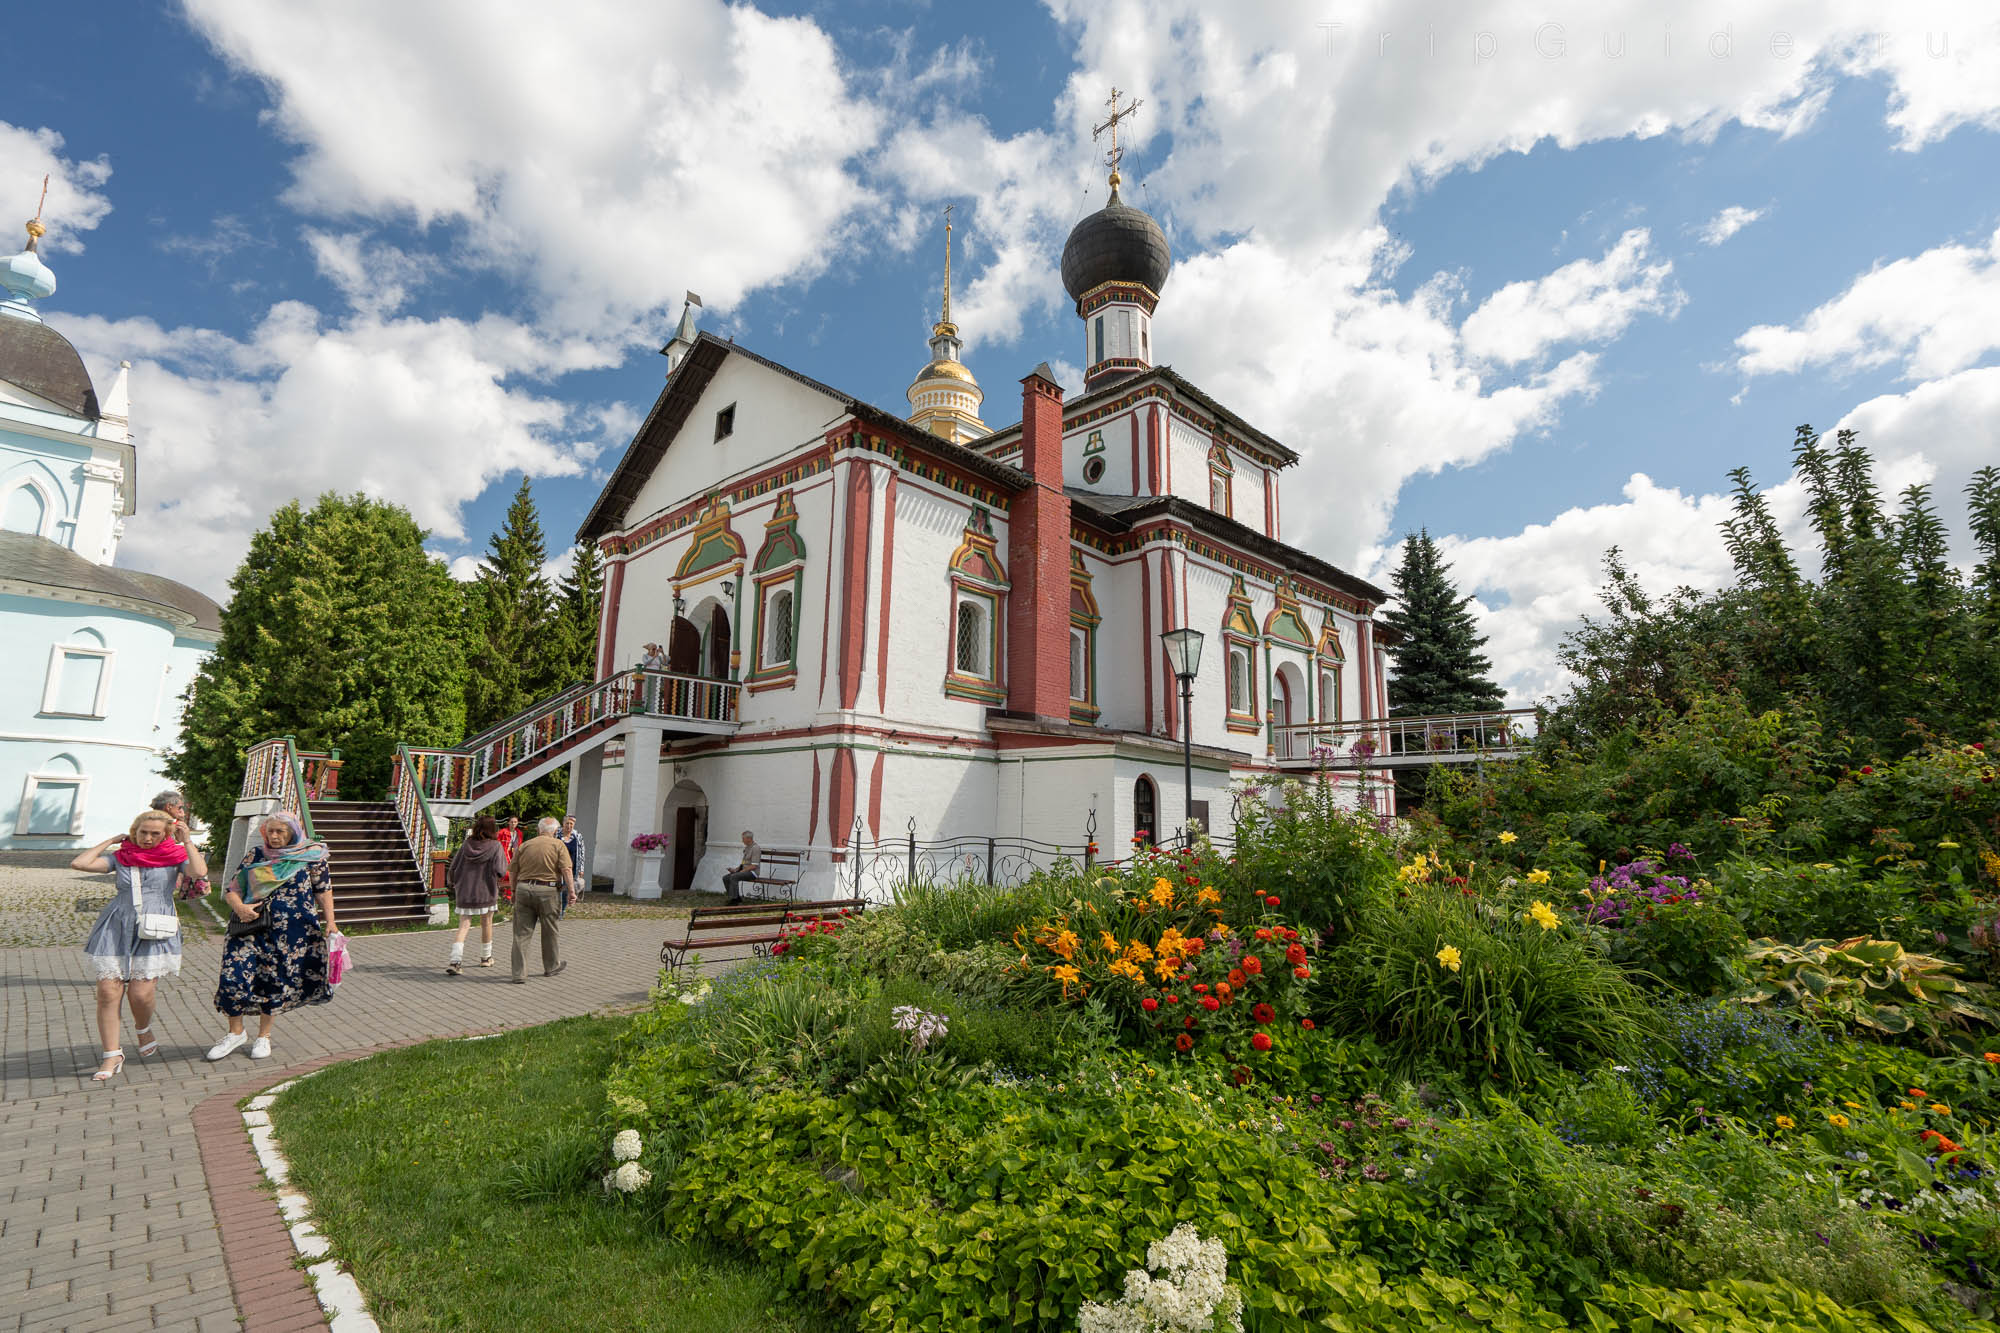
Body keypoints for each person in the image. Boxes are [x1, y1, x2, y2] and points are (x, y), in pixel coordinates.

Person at [72, 809, 207, 1082]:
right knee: (109, 992)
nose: (147, 838)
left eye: (155, 834)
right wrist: (110, 840)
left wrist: (188, 842)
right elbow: (80, 863)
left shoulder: (174, 857)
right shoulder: (122, 857)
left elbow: (199, 871)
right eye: (143, 832)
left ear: (166, 834)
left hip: (156, 926)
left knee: (140, 994)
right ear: (135, 831)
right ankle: (112, 1054)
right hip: (116, 925)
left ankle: (143, 1027)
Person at [206, 812, 336, 1061]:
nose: (274, 836)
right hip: (249, 929)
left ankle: (263, 1037)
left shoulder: (312, 856)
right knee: (232, 978)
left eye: (281, 832)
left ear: (293, 832)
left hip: (292, 933)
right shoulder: (256, 855)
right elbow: (233, 889)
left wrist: (330, 922)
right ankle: (235, 1032)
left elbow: (323, 890)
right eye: (271, 831)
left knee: (274, 981)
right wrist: (240, 908)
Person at [509, 816, 576, 983]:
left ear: (538, 830)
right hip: (548, 890)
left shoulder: (525, 845)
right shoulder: (558, 845)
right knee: (550, 930)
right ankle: (551, 966)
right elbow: (566, 869)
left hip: (524, 889)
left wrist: (513, 890)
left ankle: (519, 974)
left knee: (521, 933)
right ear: (554, 831)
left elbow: (512, 871)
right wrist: (572, 892)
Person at [444, 815, 506, 974]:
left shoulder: (466, 845)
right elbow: (501, 870)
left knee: (463, 925)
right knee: (487, 923)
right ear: (493, 829)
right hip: (486, 891)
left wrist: (452, 883)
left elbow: (453, 866)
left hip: (465, 891)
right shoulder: (496, 846)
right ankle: (486, 958)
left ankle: (455, 961)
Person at [152, 788, 209, 901]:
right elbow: (179, 839)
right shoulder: (162, 824)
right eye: (179, 807)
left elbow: (177, 839)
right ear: (169, 807)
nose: (181, 810)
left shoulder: (150, 820)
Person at [557, 814, 587, 918]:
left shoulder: (577, 836)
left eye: (571, 824)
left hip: (572, 868)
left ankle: (562, 911)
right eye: (567, 823)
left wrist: (581, 869)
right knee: (557, 890)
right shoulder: (556, 835)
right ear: (563, 824)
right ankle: (555, 910)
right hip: (558, 868)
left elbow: (582, 853)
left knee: (567, 890)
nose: (569, 826)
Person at [721, 830, 761, 904]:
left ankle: (734, 900)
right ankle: (736, 898)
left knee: (734, 877)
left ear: (749, 838)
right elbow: (744, 862)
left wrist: (742, 871)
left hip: (752, 873)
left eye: (743, 838)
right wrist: (736, 869)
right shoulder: (747, 847)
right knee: (726, 878)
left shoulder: (756, 848)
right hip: (745, 871)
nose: (742, 840)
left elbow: (754, 866)